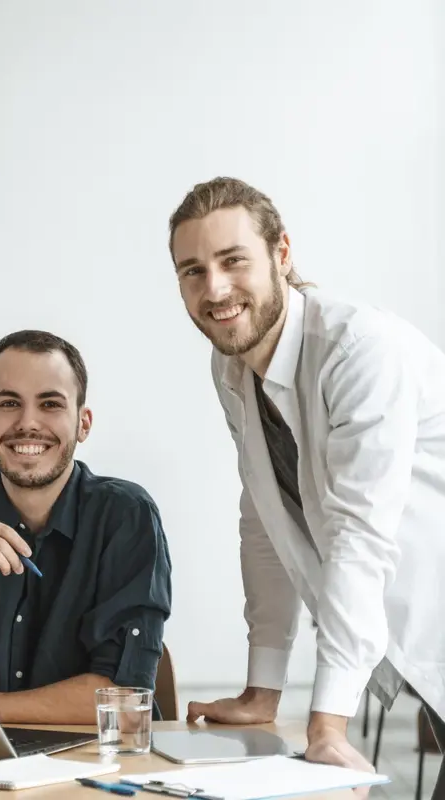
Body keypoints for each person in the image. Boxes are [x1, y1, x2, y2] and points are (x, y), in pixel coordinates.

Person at [168, 176, 445, 793]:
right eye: (192, 270)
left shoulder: (358, 350)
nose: (214, 289)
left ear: (282, 254)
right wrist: (262, 690)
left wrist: (326, 724)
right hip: (407, 644)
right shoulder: (230, 365)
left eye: (232, 260)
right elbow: (265, 521)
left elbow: (358, 537)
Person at [0, 330, 172, 724]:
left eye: (51, 404)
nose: (28, 423)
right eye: (9, 403)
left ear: (83, 423)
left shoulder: (126, 516)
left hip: (95, 766)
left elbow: (123, 703)